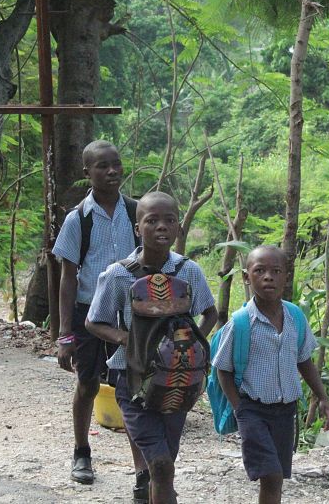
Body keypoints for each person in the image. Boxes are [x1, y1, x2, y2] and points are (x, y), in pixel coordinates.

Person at [86, 191, 218, 504]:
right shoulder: (118, 274)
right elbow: (94, 322)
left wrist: (190, 345)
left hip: (179, 382)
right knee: (161, 465)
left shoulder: (189, 271)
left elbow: (210, 312)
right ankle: (149, 481)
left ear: (178, 228)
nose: (161, 227)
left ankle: (148, 487)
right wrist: (127, 339)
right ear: (137, 229)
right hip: (130, 379)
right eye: (152, 220)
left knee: (165, 465)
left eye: (169, 220)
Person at [51, 140, 147, 494]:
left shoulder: (136, 213)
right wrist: (64, 334)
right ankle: (81, 452)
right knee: (88, 384)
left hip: (130, 315)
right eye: (102, 166)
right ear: (86, 173)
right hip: (88, 313)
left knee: (132, 388)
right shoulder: (79, 219)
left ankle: (142, 471)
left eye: (116, 164)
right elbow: (68, 276)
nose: (112, 171)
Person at [213, 245, 329, 504]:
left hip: (285, 411)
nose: (268, 277)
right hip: (253, 410)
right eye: (260, 271)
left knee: (277, 477)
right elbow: (222, 368)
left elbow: (304, 360)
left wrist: (321, 396)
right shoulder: (241, 322)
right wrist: (240, 409)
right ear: (247, 278)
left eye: (276, 271)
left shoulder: (295, 317)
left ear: (286, 276)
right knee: (271, 474)